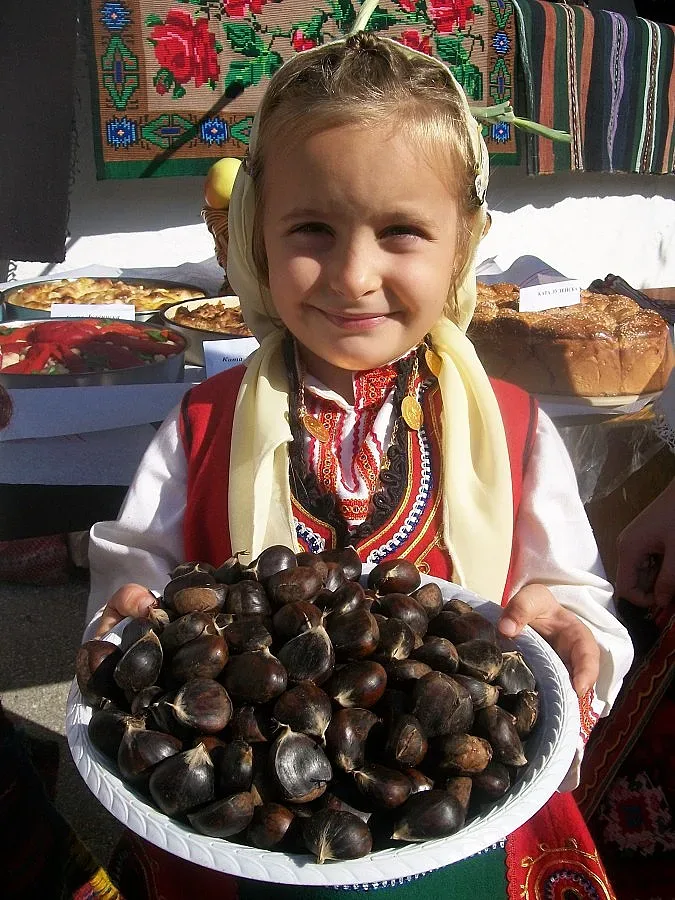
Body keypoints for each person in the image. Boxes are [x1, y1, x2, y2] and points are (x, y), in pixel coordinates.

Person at [86, 32, 633, 900]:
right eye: (311, 228)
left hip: (450, 828)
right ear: (253, 236)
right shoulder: (201, 423)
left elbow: (570, 599)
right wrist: (123, 630)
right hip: (243, 829)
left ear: (462, 246)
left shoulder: (516, 429)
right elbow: (131, 586)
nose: (352, 275)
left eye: (402, 232)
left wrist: (574, 639)